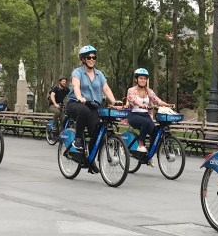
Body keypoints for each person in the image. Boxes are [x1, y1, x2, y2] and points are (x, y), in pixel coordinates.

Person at [66, 45, 122, 174]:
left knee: (97, 133)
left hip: (93, 106)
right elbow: (76, 85)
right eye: (89, 57)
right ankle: (78, 139)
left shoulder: (99, 74)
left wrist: (114, 101)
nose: (92, 59)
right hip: (75, 104)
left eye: (94, 57)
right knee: (84, 111)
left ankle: (90, 161)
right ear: (83, 59)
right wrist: (79, 97)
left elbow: (106, 89)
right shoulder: (77, 72)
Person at [125, 68, 174, 153]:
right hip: (134, 115)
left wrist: (168, 105)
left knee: (155, 133)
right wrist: (141, 105)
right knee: (145, 122)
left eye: (145, 79)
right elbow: (132, 100)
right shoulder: (131, 90)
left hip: (145, 115)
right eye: (141, 78)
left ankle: (149, 154)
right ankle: (140, 145)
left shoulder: (149, 91)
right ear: (136, 79)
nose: (143, 80)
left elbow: (157, 100)